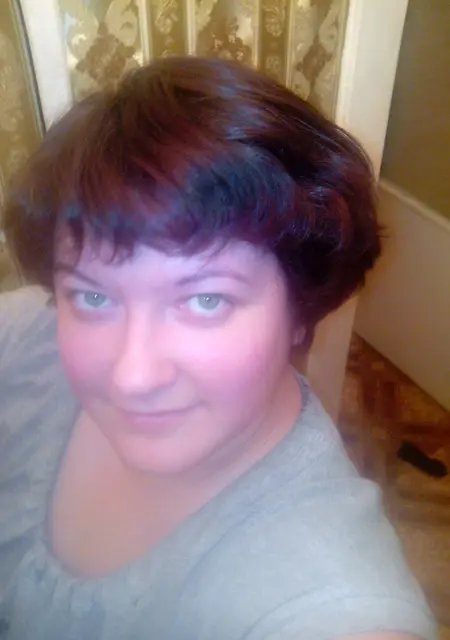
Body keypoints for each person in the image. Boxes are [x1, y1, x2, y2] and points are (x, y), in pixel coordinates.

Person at [0, 56, 436, 640]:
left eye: (206, 300)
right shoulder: (30, 337)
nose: (132, 377)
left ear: (301, 310)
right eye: (93, 297)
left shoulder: (326, 596)